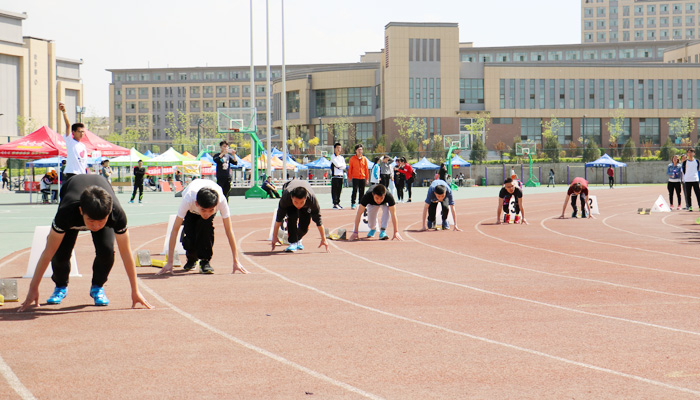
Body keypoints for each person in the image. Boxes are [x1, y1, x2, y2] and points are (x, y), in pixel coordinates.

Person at [18, 175, 153, 312]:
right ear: (81, 211)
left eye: (101, 221)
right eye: (91, 221)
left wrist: (135, 290)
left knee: (107, 251)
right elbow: (48, 251)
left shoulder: (116, 214)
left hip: (100, 194)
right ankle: (60, 286)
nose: (95, 226)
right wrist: (33, 288)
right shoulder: (66, 213)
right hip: (71, 191)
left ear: (108, 214)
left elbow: (126, 251)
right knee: (59, 253)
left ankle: (97, 287)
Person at [158, 178, 247, 275]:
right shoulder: (188, 199)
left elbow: (229, 230)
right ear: (197, 204)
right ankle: (191, 259)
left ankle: (205, 261)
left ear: (216, 205)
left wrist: (236, 261)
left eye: (211, 210)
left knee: (206, 228)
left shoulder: (221, 201)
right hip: (191, 211)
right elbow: (175, 230)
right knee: (190, 237)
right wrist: (170, 262)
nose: (207, 214)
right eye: (204, 210)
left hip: (206, 204)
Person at [271, 179, 329, 253]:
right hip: (290, 202)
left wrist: (324, 239)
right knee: (292, 217)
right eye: (296, 202)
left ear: (305, 198)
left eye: (301, 202)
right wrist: (274, 236)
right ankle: (293, 242)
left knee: (304, 227)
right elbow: (279, 218)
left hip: (306, 206)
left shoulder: (311, 199)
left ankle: (298, 239)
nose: (298, 205)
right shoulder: (286, 198)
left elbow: (319, 221)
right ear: (292, 197)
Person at [59, 102, 88, 179]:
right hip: (72, 173)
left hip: (82, 175)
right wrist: (64, 111)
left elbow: (84, 163)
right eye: (79, 131)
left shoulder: (83, 146)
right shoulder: (70, 141)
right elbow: (68, 125)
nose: (81, 133)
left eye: (83, 132)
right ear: (73, 132)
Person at [347, 143, 369, 209]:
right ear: (356, 150)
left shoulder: (364, 159)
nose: (360, 151)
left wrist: (367, 178)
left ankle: (361, 203)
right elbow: (350, 168)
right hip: (355, 177)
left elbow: (366, 169)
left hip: (362, 177)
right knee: (355, 190)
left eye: (361, 150)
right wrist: (349, 177)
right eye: (359, 150)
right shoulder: (352, 159)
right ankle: (353, 203)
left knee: (362, 191)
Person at [330, 142, 346, 209]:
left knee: (339, 190)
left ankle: (338, 203)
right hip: (335, 176)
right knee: (335, 190)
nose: (339, 149)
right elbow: (337, 165)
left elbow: (344, 166)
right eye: (337, 148)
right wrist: (340, 166)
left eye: (340, 148)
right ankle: (335, 203)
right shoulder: (333, 157)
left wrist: (340, 166)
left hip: (341, 176)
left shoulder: (342, 157)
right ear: (334, 149)